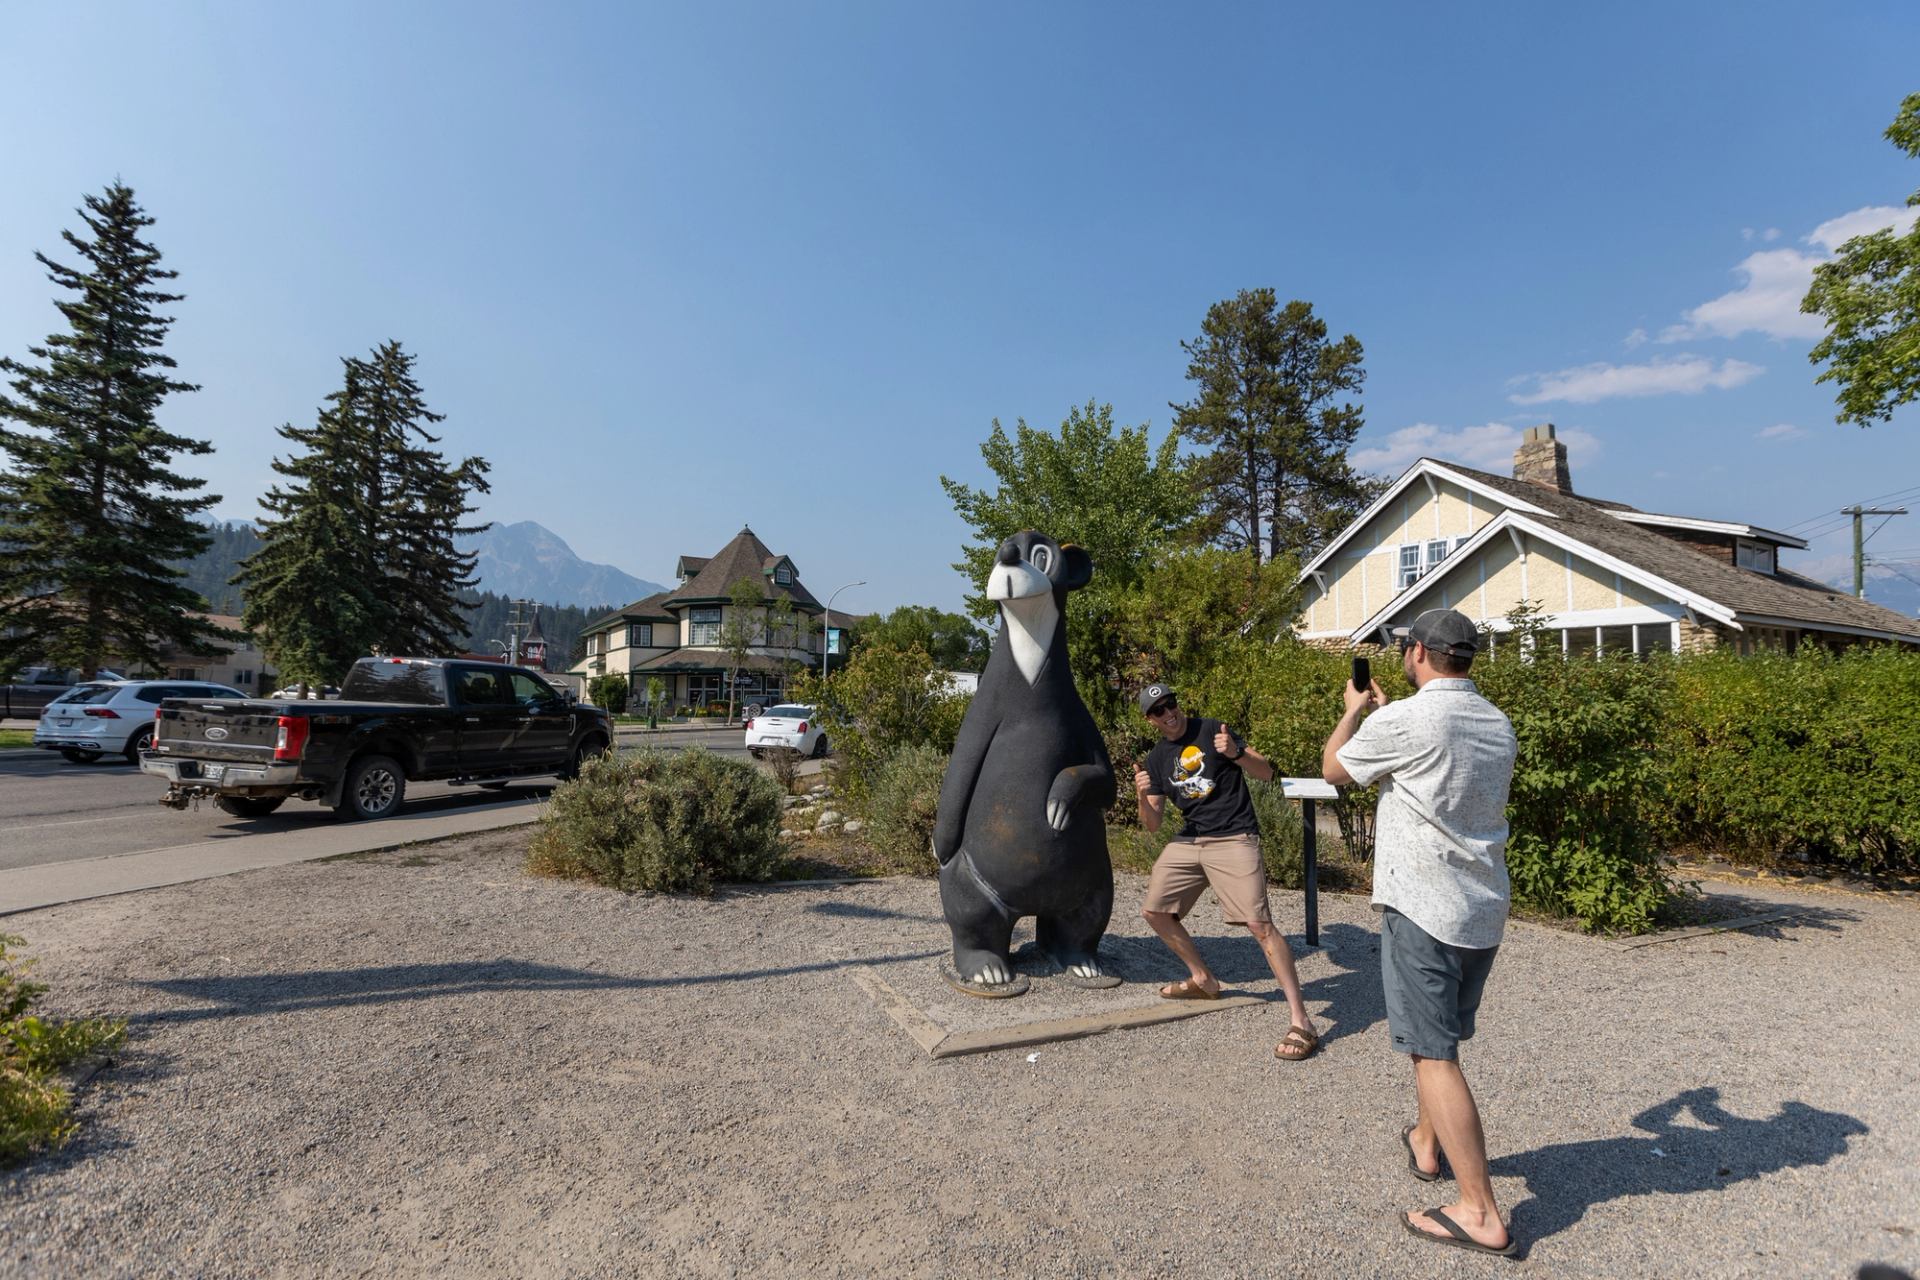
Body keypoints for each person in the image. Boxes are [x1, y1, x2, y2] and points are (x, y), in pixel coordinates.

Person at [1321, 608, 1520, 1257]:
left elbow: (1334, 769)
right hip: (1480, 908)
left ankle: (1479, 1211)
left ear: (1416, 653)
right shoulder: (1495, 721)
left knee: (1434, 1055)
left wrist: (1354, 711)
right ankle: (1427, 1144)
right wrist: (1386, 717)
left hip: (1423, 909)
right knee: (1444, 1040)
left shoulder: (1405, 720)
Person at [1132, 682, 1318, 1062]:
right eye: (1158, 710)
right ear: (1150, 720)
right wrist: (1141, 795)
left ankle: (1301, 1021)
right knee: (1154, 911)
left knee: (1259, 924)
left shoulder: (1212, 729)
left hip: (1234, 836)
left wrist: (1236, 753)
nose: (1168, 713)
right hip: (1191, 840)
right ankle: (1203, 979)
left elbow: (1265, 772)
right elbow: (1152, 824)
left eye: (1170, 703)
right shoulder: (1156, 759)